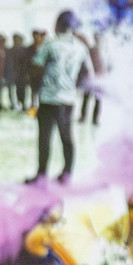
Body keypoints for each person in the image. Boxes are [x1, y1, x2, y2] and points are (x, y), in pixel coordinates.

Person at [27, 11, 90, 184]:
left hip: (48, 98)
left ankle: (41, 175)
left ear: (58, 24)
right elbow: (86, 73)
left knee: (45, 137)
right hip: (68, 99)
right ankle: (67, 173)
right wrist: (71, 86)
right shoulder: (80, 47)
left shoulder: (50, 44)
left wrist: (35, 90)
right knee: (67, 136)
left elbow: (36, 68)